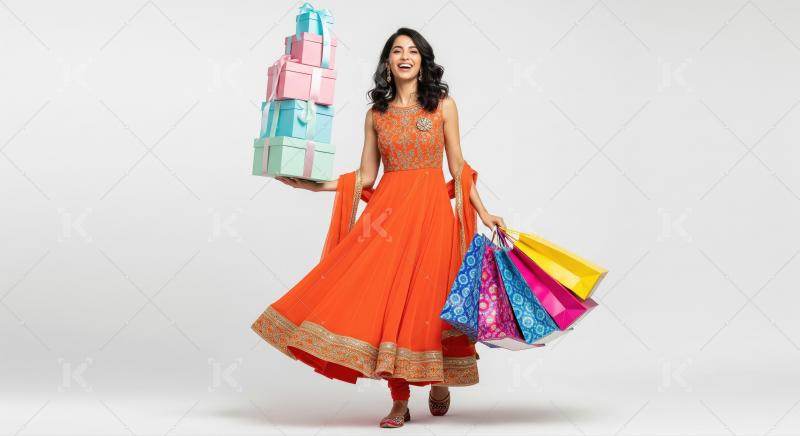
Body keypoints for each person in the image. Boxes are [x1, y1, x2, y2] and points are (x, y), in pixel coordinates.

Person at [252, 27, 505, 428]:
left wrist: (485, 212)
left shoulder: (443, 106)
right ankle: (399, 400)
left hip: (433, 216)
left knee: (431, 301)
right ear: (387, 62)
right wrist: (313, 184)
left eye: (412, 51)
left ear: (423, 60)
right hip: (387, 219)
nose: (404, 56)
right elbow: (366, 176)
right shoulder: (376, 115)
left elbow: (458, 167)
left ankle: (439, 379)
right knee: (390, 306)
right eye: (396, 51)